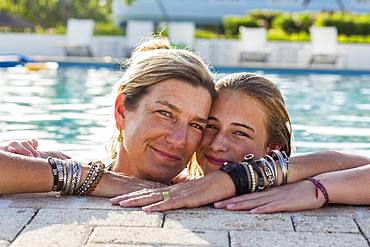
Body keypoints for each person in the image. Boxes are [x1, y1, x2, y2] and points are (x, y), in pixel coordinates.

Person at [110, 73, 370, 212]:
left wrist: (317, 189)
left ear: (274, 148)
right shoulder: (179, 183)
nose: (217, 144)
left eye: (240, 133)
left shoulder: (289, 188)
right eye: (210, 126)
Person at [0, 36, 216, 196]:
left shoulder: (207, 188)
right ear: (121, 111)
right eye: (165, 113)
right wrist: (88, 178)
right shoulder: (73, 172)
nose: (179, 140)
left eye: (196, 125)